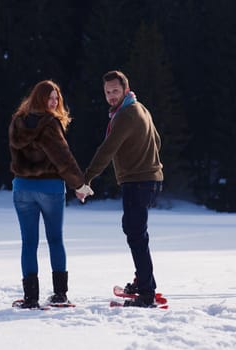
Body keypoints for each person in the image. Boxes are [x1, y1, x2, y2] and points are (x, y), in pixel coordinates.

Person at [8, 80, 93, 308]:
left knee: (28, 243)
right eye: (50, 97)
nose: (54, 102)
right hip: (50, 189)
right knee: (55, 240)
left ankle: (30, 298)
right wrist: (80, 185)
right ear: (39, 98)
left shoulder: (18, 122)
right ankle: (59, 295)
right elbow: (63, 158)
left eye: (56, 97)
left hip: (22, 188)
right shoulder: (49, 124)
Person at [84, 70, 163, 307]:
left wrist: (86, 179)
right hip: (147, 179)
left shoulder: (126, 115)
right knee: (136, 232)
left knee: (136, 234)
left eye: (115, 91)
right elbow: (157, 140)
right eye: (107, 92)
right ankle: (143, 282)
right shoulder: (140, 108)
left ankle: (146, 294)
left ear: (125, 89)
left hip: (138, 181)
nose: (111, 96)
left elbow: (107, 149)